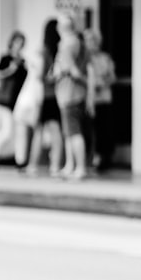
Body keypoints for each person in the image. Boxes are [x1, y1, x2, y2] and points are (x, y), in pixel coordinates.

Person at [52, 12, 89, 181]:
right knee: (69, 132)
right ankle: (70, 165)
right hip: (76, 93)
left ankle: (80, 167)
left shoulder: (66, 44)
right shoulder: (80, 42)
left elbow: (71, 70)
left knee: (73, 132)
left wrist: (59, 73)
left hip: (69, 93)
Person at [26, 18, 63, 176]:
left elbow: (39, 76)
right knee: (56, 131)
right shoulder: (58, 51)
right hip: (55, 96)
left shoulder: (43, 51)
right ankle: (55, 165)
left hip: (45, 96)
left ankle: (33, 165)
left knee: (39, 131)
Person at [0, 31, 27, 168]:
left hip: (17, 100)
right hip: (6, 99)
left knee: (18, 131)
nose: (19, 45)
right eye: (17, 42)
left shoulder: (23, 61)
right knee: (7, 130)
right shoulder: (5, 58)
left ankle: (20, 159)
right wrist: (11, 69)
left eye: (21, 43)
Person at [85, 29, 117, 172]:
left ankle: (102, 158)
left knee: (103, 130)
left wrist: (102, 81)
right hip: (89, 99)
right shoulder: (85, 59)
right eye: (88, 41)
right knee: (89, 131)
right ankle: (89, 158)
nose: (91, 44)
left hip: (103, 98)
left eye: (93, 41)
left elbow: (112, 77)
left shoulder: (105, 58)